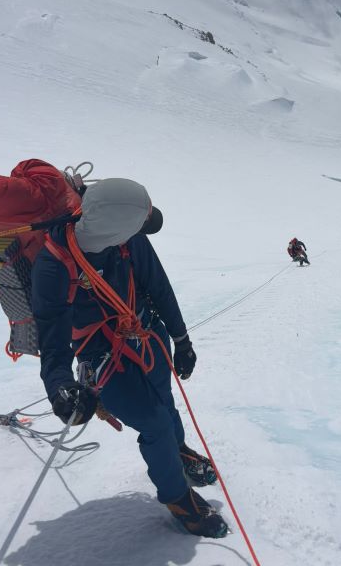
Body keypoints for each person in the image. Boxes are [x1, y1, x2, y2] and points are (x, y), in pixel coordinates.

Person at [31, 178, 228, 538]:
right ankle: (177, 498)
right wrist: (60, 388)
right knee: (154, 422)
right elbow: (53, 341)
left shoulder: (131, 241)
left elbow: (158, 286)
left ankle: (177, 450)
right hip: (102, 358)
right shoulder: (54, 265)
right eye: (140, 223)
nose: (144, 230)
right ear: (116, 228)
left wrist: (181, 340)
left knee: (165, 404)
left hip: (148, 335)